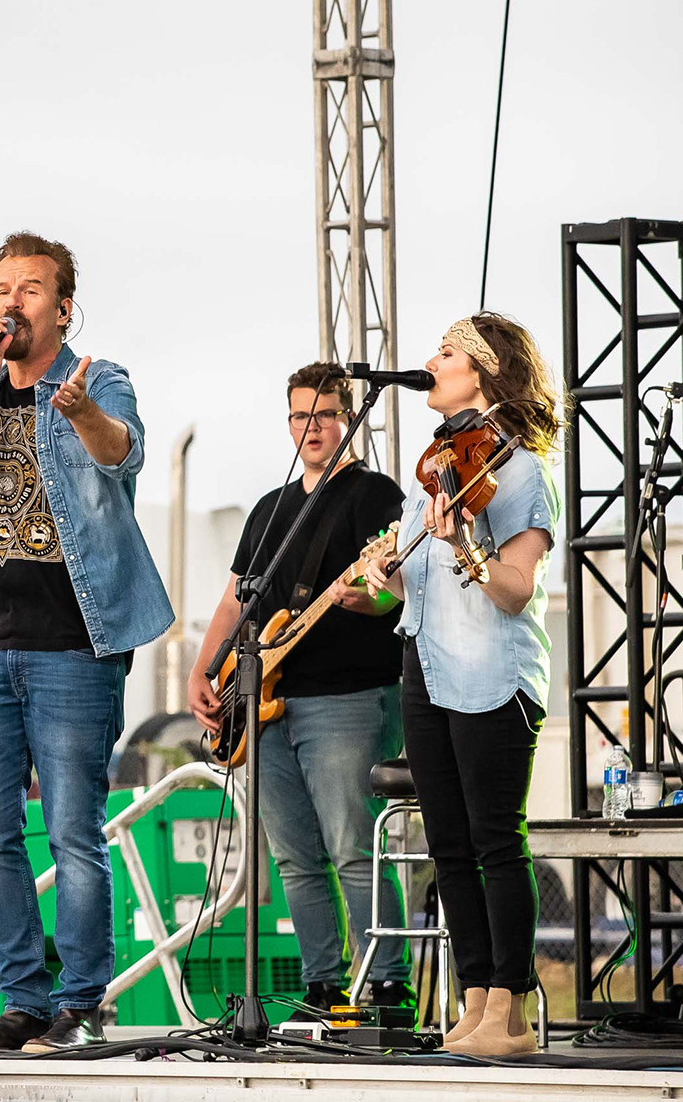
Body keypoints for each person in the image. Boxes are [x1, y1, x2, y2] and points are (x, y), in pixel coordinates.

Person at [0, 233, 174, 1051]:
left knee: (72, 831)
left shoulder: (98, 378)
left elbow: (122, 452)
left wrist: (82, 410)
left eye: (30, 289)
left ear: (63, 308)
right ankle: (23, 1001)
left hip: (73, 644)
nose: (12, 301)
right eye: (1, 288)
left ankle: (80, 1002)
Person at [186, 362, 414, 1013]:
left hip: (347, 696)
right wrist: (203, 669)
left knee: (352, 847)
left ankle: (387, 985)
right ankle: (323, 986)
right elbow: (235, 599)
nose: (311, 427)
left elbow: (398, 586)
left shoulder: (375, 495)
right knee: (293, 857)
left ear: (348, 418)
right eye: (300, 416)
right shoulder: (271, 509)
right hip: (260, 702)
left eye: (324, 415)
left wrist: (365, 599)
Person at [363, 313, 563, 1058]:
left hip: (492, 675)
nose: (431, 361)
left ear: (483, 371)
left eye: (446, 352)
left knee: (495, 840)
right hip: (425, 666)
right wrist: (384, 574)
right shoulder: (436, 470)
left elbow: (514, 589)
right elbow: (417, 586)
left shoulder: (522, 472)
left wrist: (466, 543)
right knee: (447, 844)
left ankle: (511, 1008)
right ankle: (475, 996)